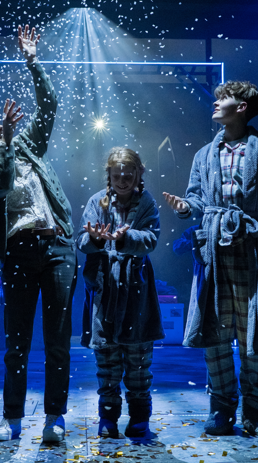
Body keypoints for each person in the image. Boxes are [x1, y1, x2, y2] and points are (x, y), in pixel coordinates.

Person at [163, 80, 258, 437]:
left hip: (252, 249)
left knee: (252, 332)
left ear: (241, 107)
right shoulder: (204, 155)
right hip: (213, 251)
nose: (215, 103)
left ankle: (256, 411)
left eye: (222, 99)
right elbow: (195, 200)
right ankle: (221, 409)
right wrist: (184, 207)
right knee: (215, 332)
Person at [0, 25, 76, 443]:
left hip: (57, 247)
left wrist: (32, 60)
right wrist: (8, 143)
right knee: (17, 343)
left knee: (57, 341)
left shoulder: (27, 143)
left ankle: (54, 419)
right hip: (20, 253)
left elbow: (50, 104)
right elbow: (3, 182)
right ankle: (12, 419)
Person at [76, 147, 163, 438]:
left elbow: (151, 239)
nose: (123, 180)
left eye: (129, 174)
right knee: (108, 359)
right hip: (105, 290)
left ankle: (139, 416)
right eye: (117, 175)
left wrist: (126, 238)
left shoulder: (147, 203)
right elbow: (81, 241)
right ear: (109, 176)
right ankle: (108, 416)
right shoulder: (95, 202)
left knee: (138, 360)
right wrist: (95, 239)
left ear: (139, 174)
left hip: (137, 290)